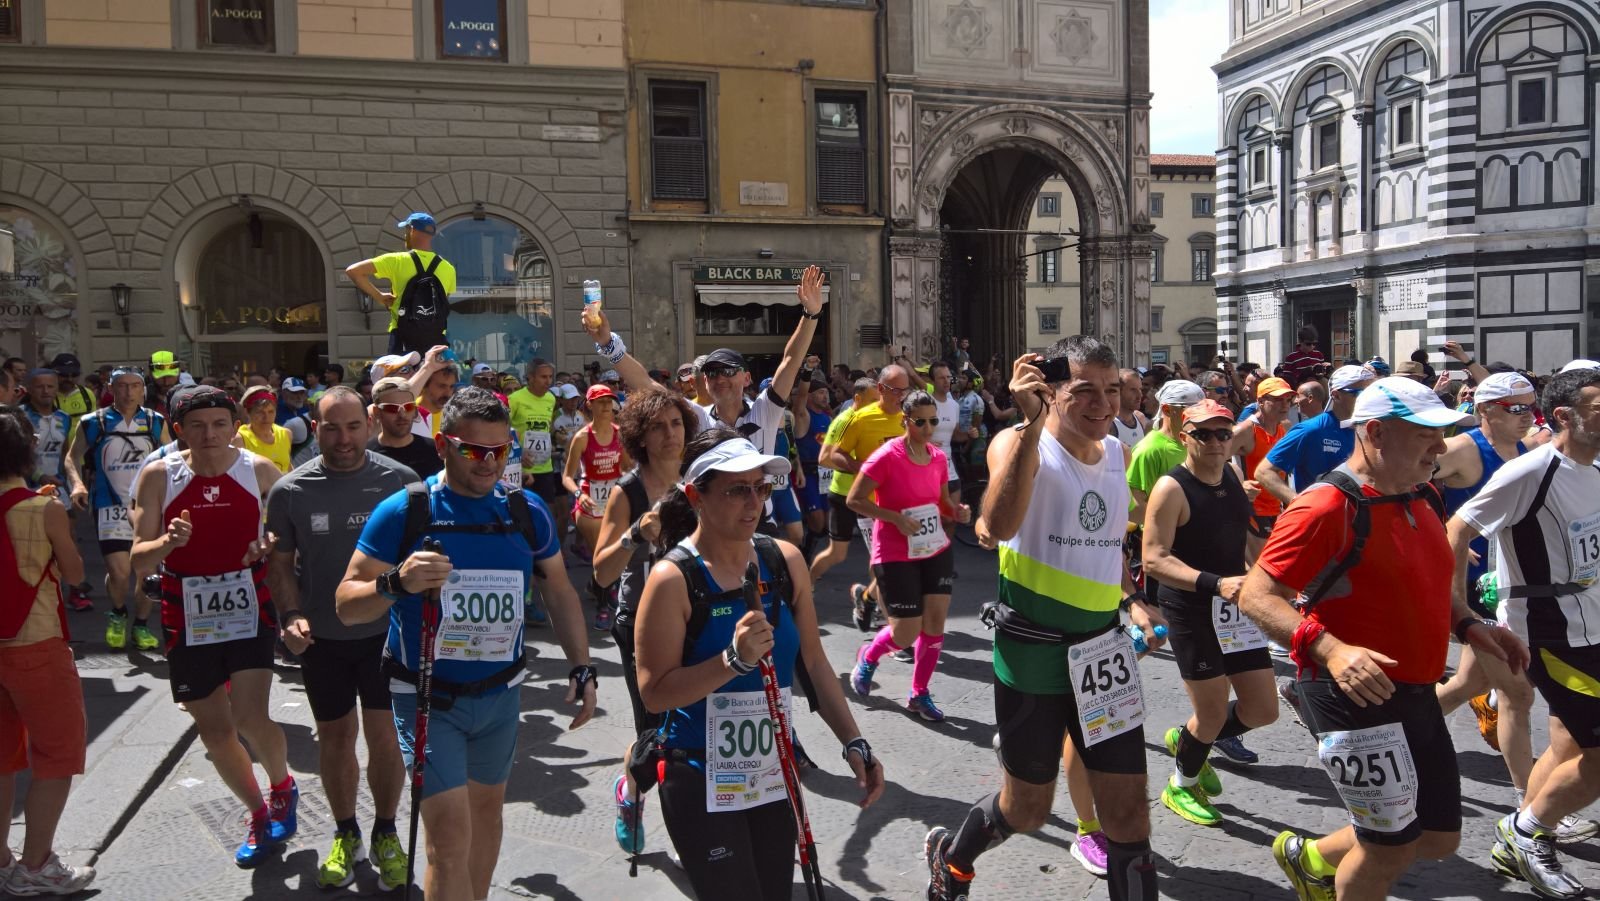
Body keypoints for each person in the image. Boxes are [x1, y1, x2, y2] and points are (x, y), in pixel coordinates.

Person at [1239, 376, 1525, 900]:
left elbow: (1433, 584)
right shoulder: (1323, 506)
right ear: (1375, 434)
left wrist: (1471, 627)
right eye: (1425, 436)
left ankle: (1311, 858)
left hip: (1413, 688)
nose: (1440, 449)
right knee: (1388, 844)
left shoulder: (1424, 494)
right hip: (1350, 691)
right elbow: (1257, 595)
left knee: (1437, 837)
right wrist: (1332, 649)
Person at [925, 338, 1165, 901]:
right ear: (1051, 391)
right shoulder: (1016, 442)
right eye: (1085, 391)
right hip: (1033, 654)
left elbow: (1107, 548)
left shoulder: (1119, 454)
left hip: (1103, 654)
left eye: (1113, 391)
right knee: (1027, 809)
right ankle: (953, 859)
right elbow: (999, 526)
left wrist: (1131, 599)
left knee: (1129, 813)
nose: (1104, 404)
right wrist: (1031, 425)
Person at [335, 387, 597, 901]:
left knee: (485, 821)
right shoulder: (405, 511)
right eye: (475, 451)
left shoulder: (526, 511)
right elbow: (346, 603)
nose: (490, 463)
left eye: (502, 450)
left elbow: (560, 592)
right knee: (448, 841)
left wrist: (583, 667)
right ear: (442, 446)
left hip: (500, 697)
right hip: (430, 699)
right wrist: (397, 583)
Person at [634, 430, 885, 899]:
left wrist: (854, 740)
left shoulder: (783, 559)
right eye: (736, 489)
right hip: (699, 775)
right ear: (696, 496)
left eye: (761, 488)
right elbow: (654, 692)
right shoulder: (672, 578)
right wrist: (732, 660)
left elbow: (812, 661)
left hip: (770, 772)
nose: (754, 503)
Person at [129, 385, 298, 868]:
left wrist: (268, 544)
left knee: (249, 716)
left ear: (234, 426)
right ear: (179, 429)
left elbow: (289, 534)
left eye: (220, 424)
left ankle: (283, 786)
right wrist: (168, 541)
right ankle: (258, 813)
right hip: (185, 608)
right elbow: (140, 560)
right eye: (198, 426)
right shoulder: (160, 475)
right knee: (215, 730)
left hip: (247, 602)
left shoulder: (259, 469)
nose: (210, 435)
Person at [1452, 365, 1600, 898]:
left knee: (1565, 746)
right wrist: (1460, 613)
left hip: (1593, 626)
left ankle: (1523, 830)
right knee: (1595, 756)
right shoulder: (1533, 471)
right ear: (1565, 416)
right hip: (1551, 633)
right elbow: (1457, 526)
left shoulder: (1596, 466)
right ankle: (1526, 833)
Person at [265, 386, 417, 890]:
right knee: (334, 738)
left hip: (386, 635)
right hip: (323, 640)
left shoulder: (402, 483)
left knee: (384, 739)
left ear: (369, 425)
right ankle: (346, 831)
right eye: (331, 427)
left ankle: (386, 831)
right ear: (315, 426)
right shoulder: (289, 491)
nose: (344, 438)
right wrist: (289, 614)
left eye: (353, 426)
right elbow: (280, 565)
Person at [1143, 399, 1277, 826]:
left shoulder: (1234, 476)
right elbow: (1153, 559)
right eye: (1204, 434)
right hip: (1191, 606)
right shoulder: (1172, 488)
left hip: (1234, 607)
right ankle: (1180, 785)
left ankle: (1189, 740)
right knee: (1213, 710)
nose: (1216, 442)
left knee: (1262, 709)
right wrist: (1215, 583)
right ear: (1186, 438)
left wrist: (1274, 582)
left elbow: (1248, 539)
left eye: (1223, 433)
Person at [593, 385, 698, 856]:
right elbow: (601, 571)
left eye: (676, 423)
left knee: (695, 725)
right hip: (639, 620)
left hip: (696, 613)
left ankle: (696, 823)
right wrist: (636, 533)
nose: (670, 434)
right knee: (657, 732)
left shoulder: (700, 477)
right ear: (639, 436)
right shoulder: (627, 491)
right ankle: (632, 792)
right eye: (657, 427)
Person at [0, 410, 97, 896]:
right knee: (56, 756)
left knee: (0, 758)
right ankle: (36, 866)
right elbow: (77, 573)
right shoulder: (42, 509)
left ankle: (2, 862)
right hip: (35, 643)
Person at [1433, 372, 1541, 792]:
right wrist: (1445, 528)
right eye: (1516, 409)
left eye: (1531, 406)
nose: (1527, 417)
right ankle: (1531, 805)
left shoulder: (1528, 450)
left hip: (1512, 591)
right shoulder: (1462, 450)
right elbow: (1403, 482)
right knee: (1518, 694)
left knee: (1467, 685)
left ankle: (1394, 733)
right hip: (1474, 592)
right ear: (1484, 410)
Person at [846, 389, 970, 722]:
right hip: (895, 551)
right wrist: (895, 518)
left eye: (934, 421)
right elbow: (855, 500)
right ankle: (869, 656)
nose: (929, 428)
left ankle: (919, 693)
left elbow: (942, 500)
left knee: (935, 623)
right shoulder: (886, 455)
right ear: (905, 421)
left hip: (934, 548)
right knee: (906, 632)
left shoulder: (938, 457)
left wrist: (957, 512)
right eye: (921, 422)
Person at [65, 368, 167, 651]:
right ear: (111, 388)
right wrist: (77, 485)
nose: (128, 392)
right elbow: (72, 458)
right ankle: (119, 612)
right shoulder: (93, 421)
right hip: (108, 504)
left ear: (142, 389)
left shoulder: (155, 421)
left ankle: (141, 625)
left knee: (147, 571)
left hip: (146, 505)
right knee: (120, 572)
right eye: (122, 386)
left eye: (135, 386)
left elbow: (171, 459)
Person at [818, 365, 912, 629]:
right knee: (886, 569)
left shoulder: (910, 417)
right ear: (881, 389)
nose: (901, 396)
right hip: (870, 506)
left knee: (893, 568)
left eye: (905, 390)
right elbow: (832, 455)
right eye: (896, 390)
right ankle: (898, 636)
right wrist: (865, 469)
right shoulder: (858, 418)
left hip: (904, 504)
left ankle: (868, 597)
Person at [1255, 364, 1373, 506]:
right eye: (1359, 393)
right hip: (1322, 521)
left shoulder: (1371, 430)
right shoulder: (1310, 430)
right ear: (1336, 395)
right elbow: (1264, 472)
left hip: (1358, 518)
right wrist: (1301, 504)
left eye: (1370, 393)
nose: (1367, 399)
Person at [563, 383, 631, 629]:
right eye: (600, 401)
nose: (606, 406)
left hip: (614, 501)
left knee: (614, 553)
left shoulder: (619, 434)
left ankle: (598, 586)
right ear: (590, 405)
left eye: (609, 401)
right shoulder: (582, 438)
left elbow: (625, 467)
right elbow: (567, 476)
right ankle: (603, 608)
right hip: (590, 501)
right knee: (601, 556)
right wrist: (578, 495)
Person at [346, 213, 460, 355]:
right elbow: (442, 301)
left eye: (406, 230)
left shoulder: (397, 260)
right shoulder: (448, 268)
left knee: (401, 377)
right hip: (436, 341)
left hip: (403, 337)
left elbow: (353, 271)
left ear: (411, 230)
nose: (405, 235)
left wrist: (380, 297)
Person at [1230, 376, 1295, 561]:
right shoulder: (1244, 431)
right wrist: (1239, 484)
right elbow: (1214, 463)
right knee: (1261, 568)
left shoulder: (1285, 427)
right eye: (1277, 399)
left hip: (1277, 508)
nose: (1284, 405)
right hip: (1252, 511)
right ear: (1260, 401)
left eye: (1287, 400)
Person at [507, 358, 568, 545]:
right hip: (521, 468)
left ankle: (543, 553)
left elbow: (545, 429)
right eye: (543, 377)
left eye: (550, 377)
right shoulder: (515, 399)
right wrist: (518, 453)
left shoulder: (550, 399)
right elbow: (503, 429)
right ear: (530, 377)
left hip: (544, 466)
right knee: (521, 513)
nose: (548, 381)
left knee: (546, 512)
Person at [1127, 380, 1203, 522]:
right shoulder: (1149, 450)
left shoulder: (1201, 442)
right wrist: (1174, 525)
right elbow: (1134, 507)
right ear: (1167, 409)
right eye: (1190, 407)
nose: (1198, 413)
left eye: (1201, 407)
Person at [367, 376, 442, 480]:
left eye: (408, 407)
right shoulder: (365, 455)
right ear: (377, 412)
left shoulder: (437, 451)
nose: (402, 414)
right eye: (392, 408)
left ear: (415, 411)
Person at [233, 386, 293, 475]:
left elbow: (287, 466)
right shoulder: (240, 439)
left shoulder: (286, 434)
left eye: (271, 411)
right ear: (247, 412)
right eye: (260, 412)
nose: (266, 417)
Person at [45, 355, 95, 423]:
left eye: (74, 375)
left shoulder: (87, 394)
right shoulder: (45, 394)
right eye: (64, 375)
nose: (69, 379)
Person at [1112, 369, 1150, 448]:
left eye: (1140, 389)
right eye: (1133, 390)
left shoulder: (1140, 418)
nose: (1140, 395)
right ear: (1118, 391)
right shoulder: (1109, 424)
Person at [149, 351, 181, 418]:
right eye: (161, 377)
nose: (166, 382)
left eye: (170, 376)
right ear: (150, 375)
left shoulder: (190, 399)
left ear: (179, 374)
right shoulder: (140, 401)